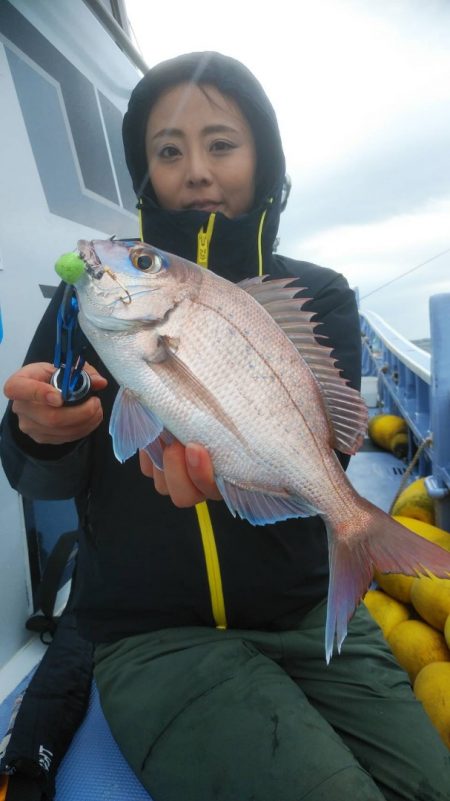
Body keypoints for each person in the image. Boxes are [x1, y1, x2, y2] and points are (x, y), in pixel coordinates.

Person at [1, 51, 449, 801]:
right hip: (154, 636)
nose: (197, 170)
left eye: (221, 143)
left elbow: (330, 449)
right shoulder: (90, 301)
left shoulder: (317, 294)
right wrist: (41, 436)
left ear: (263, 158)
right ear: (145, 171)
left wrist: (321, 505)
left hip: (304, 610)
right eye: (169, 151)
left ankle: (358, 546)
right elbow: (39, 476)